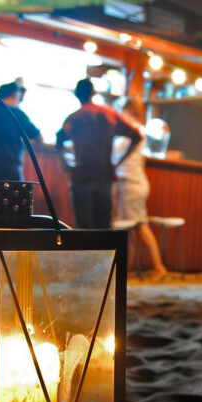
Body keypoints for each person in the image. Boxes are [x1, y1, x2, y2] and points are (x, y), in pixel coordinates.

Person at [56, 79, 141, 229]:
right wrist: (118, 162)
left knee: (83, 230)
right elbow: (136, 136)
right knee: (104, 230)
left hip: (82, 176)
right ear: (93, 93)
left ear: (77, 95)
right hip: (105, 175)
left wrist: (65, 164)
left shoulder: (75, 118)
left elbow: (59, 139)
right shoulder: (109, 114)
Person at [112, 97, 167, 282]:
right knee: (131, 228)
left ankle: (158, 267)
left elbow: (114, 153)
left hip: (131, 184)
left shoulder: (133, 130)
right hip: (132, 183)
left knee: (139, 226)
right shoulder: (136, 130)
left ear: (127, 111)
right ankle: (126, 269)